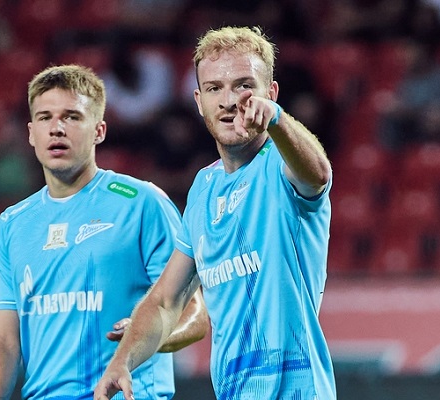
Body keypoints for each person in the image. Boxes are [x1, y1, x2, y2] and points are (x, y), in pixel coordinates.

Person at [95, 25, 336, 400]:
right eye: (214, 88)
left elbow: (318, 174)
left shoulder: (281, 164)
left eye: (244, 86)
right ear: (198, 100)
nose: (228, 101)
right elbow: (166, 302)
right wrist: (122, 361)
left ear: (270, 93)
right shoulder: (203, 188)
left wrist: (278, 119)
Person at [0, 64, 209, 400]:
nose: (57, 128)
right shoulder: (12, 224)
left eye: (72, 117)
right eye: (45, 118)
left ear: (99, 130)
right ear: (31, 133)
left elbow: (195, 315)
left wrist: (144, 339)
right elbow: (3, 338)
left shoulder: (143, 204)